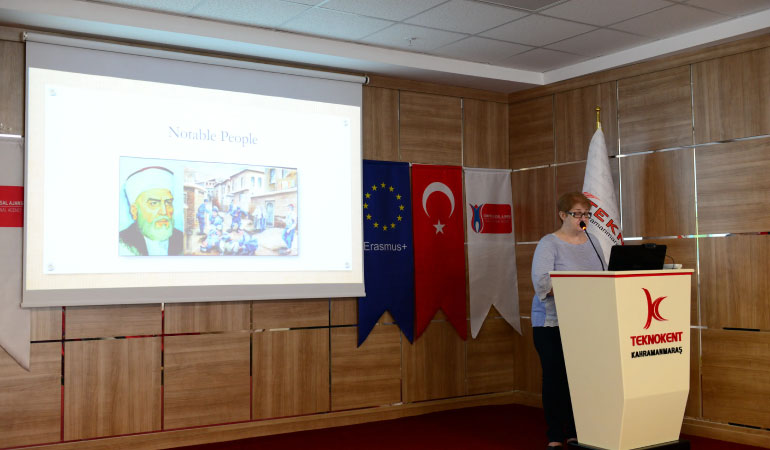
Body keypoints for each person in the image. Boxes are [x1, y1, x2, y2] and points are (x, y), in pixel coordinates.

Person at [531, 192, 604, 448]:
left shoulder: (593, 241)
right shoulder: (549, 243)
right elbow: (542, 283)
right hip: (551, 324)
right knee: (555, 378)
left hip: (583, 323)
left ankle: (575, 431)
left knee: (580, 378)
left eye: (587, 214)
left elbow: (603, 278)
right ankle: (554, 435)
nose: (583, 219)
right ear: (563, 215)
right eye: (577, 214)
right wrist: (577, 287)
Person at [119, 166, 183, 256]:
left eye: (168, 203)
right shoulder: (122, 242)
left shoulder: (182, 240)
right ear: (134, 211)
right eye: (154, 203)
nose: (164, 211)